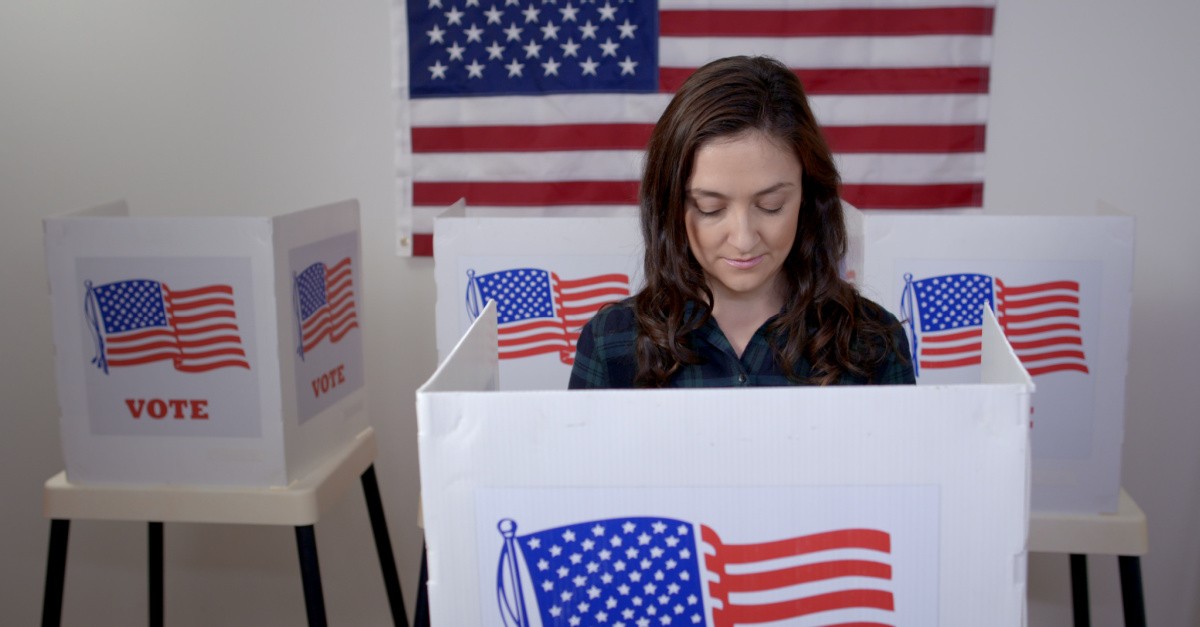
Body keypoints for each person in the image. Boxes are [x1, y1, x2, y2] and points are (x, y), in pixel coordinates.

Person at [569, 55, 915, 389]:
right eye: (710, 208)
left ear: (809, 198)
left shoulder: (872, 343)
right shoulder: (612, 343)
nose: (744, 239)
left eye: (771, 205)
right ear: (671, 206)